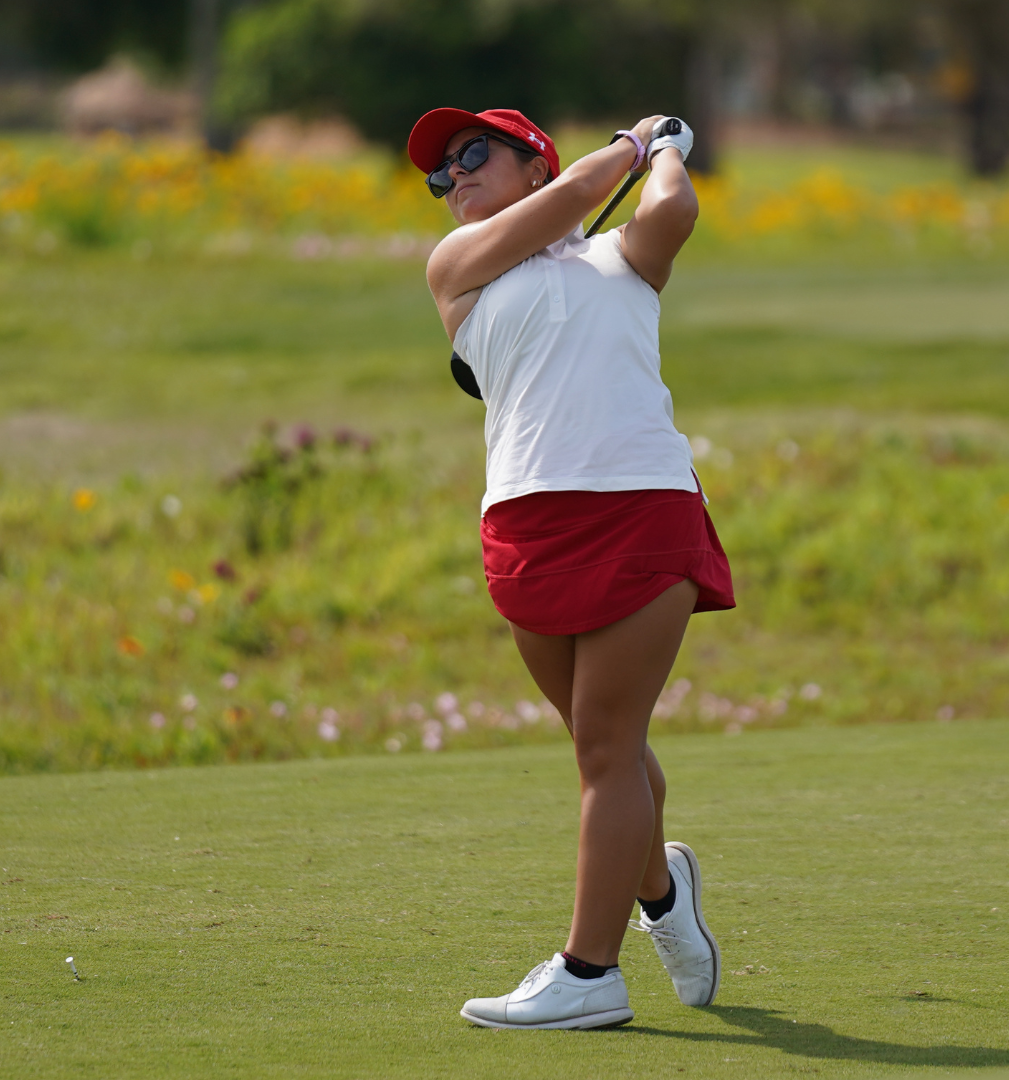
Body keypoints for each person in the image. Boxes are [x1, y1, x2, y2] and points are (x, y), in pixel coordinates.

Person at [408, 106, 735, 1030]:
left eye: (474, 155)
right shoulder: (457, 267)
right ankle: (665, 897)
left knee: (603, 744)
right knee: (612, 748)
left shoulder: (621, 256)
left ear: (534, 161)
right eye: (441, 172)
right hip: (525, 523)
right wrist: (637, 144)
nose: (454, 178)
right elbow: (578, 195)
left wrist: (666, 156)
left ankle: (590, 974)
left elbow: (669, 214)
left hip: (641, 506)